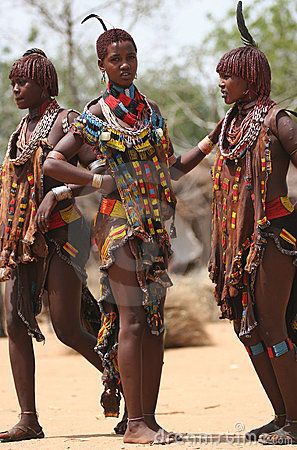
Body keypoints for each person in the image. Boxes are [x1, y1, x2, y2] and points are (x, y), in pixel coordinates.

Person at [43, 15, 221, 444]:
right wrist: (94, 180)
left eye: (130, 57)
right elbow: (51, 161)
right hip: (119, 225)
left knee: (155, 323)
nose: (125, 64)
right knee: (132, 320)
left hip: (156, 227)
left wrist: (211, 139)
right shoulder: (94, 114)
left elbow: (173, 168)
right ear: (102, 65)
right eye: (115, 59)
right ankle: (136, 423)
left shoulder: (151, 112)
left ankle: (148, 420)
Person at [0, 48, 118, 443]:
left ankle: (121, 378)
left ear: (44, 85)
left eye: (24, 82)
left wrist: (62, 190)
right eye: (13, 81)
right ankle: (28, 418)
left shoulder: (67, 121)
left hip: (63, 235)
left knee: (68, 328)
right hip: (22, 240)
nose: (15, 88)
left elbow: (100, 171)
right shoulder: (21, 130)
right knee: (14, 322)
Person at [208, 2, 297, 445]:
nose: (221, 82)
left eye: (228, 74)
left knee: (273, 325)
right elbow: (181, 165)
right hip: (237, 245)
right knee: (250, 329)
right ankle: (281, 415)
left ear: (251, 78)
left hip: (274, 237)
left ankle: (295, 422)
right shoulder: (229, 125)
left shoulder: (279, 120)